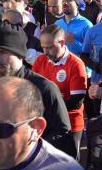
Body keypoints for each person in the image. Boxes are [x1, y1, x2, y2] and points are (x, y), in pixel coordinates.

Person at [0, 22, 76, 158]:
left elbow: (62, 135)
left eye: (3, 52)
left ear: (20, 55)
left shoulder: (44, 88)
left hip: (38, 169)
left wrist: (28, 152)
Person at [33, 25, 88, 158]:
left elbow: (76, 102)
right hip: (46, 124)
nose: (45, 52)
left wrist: (46, 104)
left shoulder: (76, 64)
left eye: (49, 47)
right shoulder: (40, 60)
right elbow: (32, 91)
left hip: (70, 125)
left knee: (70, 164)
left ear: (62, 43)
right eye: (43, 47)